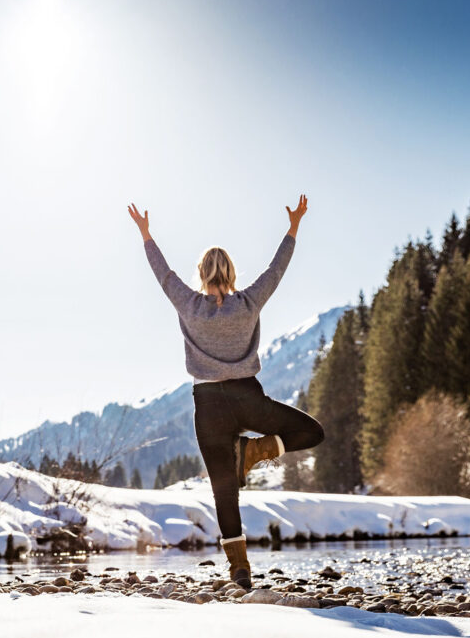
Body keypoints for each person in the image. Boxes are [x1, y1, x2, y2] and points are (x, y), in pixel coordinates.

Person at [127, 196, 324, 590]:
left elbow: (163, 274)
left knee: (223, 490)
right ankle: (252, 452)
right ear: (231, 272)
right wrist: (294, 226)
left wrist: (146, 234)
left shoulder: (189, 304)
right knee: (311, 432)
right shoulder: (249, 302)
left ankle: (240, 570)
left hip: (208, 407)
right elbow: (276, 270)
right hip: (248, 399)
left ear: (201, 273)